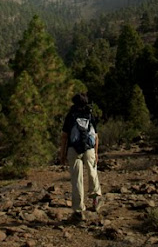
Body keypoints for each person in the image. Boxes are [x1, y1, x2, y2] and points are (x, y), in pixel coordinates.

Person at [60, 93, 102, 221]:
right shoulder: (90, 114)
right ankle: (96, 199)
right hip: (89, 149)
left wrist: (62, 154)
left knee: (77, 179)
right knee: (92, 172)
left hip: (74, 150)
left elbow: (64, 136)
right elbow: (96, 136)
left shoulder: (71, 116)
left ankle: (78, 210)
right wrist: (96, 152)